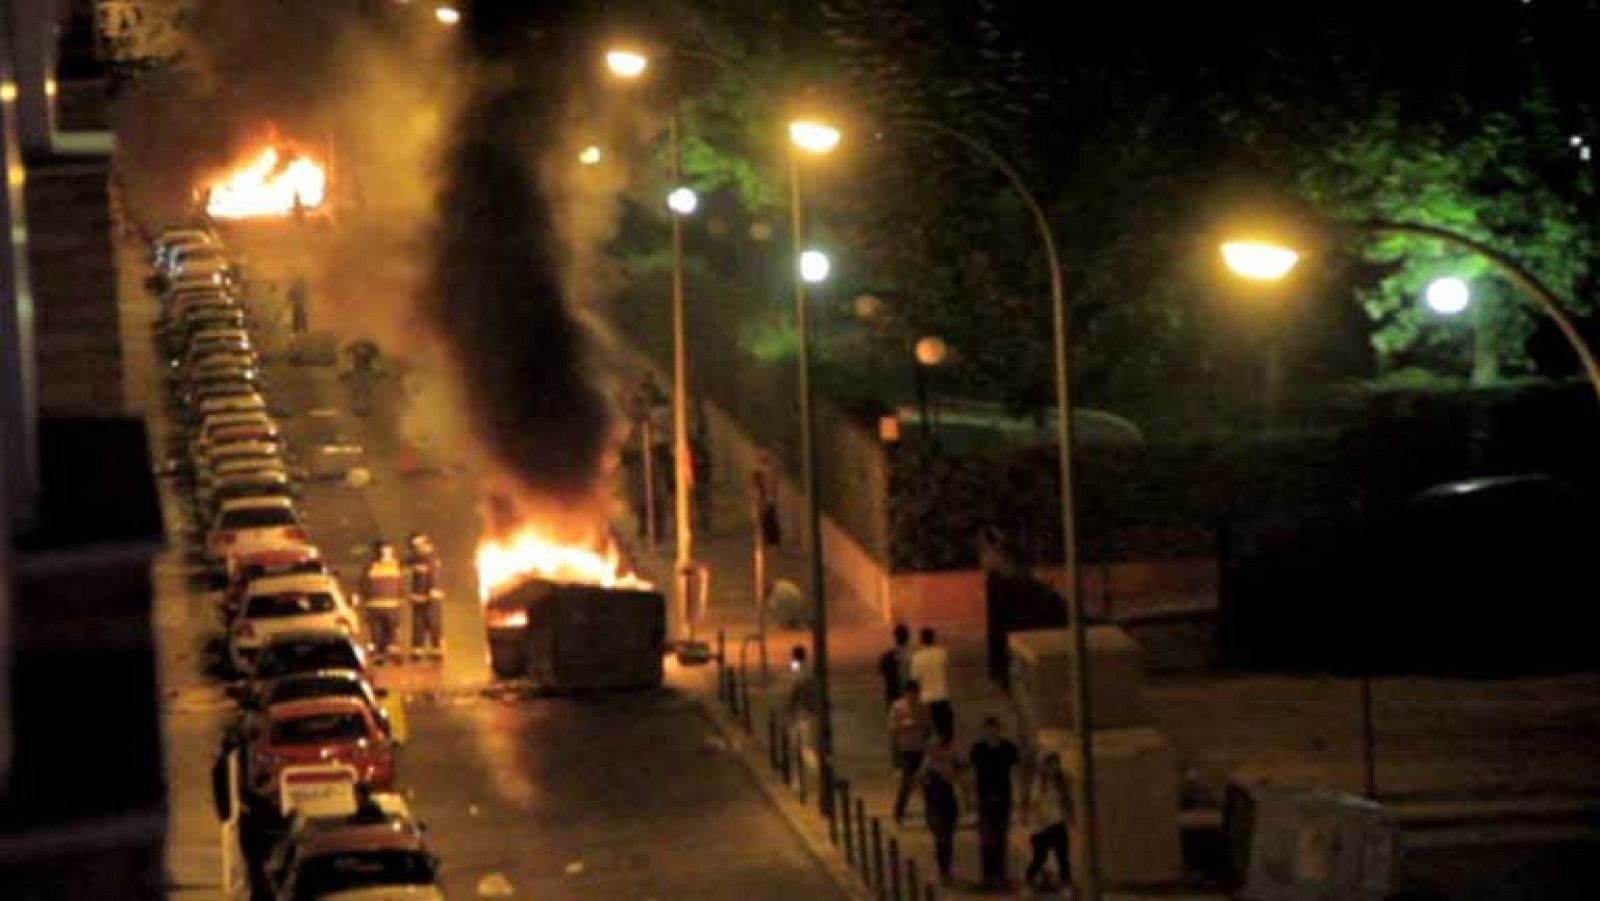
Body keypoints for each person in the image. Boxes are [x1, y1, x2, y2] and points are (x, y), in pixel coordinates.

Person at [970, 716, 1020, 890]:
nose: (991, 733)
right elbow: (973, 773)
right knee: (986, 839)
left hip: (1004, 796)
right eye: (988, 730)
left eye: (994, 729)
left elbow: (1015, 771)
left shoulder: (1008, 748)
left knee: (1001, 838)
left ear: (999, 730)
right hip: (984, 797)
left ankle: (1000, 875)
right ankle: (987, 877)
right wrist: (971, 797)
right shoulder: (978, 749)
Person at [918, 737, 963, 887]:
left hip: (949, 806)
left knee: (947, 839)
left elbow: (956, 781)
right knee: (941, 838)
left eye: (939, 748)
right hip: (934, 807)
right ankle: (943, 870)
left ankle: (946, 869)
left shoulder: (948, 765)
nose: (937, 751)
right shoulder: (927, 767)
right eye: (934, 748)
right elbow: (920, 783)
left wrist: (948, 767)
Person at [1025, 752, 1073, 892]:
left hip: (1058, 823)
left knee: (1062, 856)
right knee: (1040, 857)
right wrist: (1037, 821)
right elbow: (1034, 803)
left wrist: (1069, 817)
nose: (1053, 768)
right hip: (1042, 826)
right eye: (1051, 765)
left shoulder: (1061, 782)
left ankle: (1065, 882)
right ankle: (1029, 881)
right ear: (1045, 766)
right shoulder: (1039, 782)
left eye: (1056, 765)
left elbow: (1066, 800)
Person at [888, 680, 932, 823]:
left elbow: (928, 727)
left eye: (916, 693)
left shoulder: (923, 707)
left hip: (920, 748)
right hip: (906, 750)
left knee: (926, 782)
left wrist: (921, 729)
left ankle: (931, 813)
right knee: (907, 783)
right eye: (911, 693)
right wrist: (905, 726)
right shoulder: (898, 707)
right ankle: (899, 812)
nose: (913, 696)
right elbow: (893, 728)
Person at [358, 540, 404, 662]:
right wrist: (363, 597)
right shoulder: (370, 566)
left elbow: (400, 585)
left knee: (392, 632)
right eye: (383, 551)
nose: (385, 553)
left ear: (392, 551)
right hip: (375, 606)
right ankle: (380, 655)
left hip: (392, 606)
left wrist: (401, 598)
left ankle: (392, 655)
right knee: (377, 633)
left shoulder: (397, 565)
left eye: (388, 550)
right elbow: (363, 584)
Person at [910, 627, 954, 742]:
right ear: (933, 638)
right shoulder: (942, 653)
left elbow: (914, 678)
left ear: (921, 640)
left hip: (926, 698)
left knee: (927, 730)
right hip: (942, 694)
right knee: (945, 728)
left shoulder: (917, 657)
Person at [405, 532, 443, 660]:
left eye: (420, 544)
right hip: (417, 598)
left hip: (432, 599)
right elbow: (405, 573)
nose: (418, 547)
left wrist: (431, 594)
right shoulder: (414, 559)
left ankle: (437, 650)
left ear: (426, 543)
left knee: (434, 624)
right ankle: (417, 651)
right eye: (414, 545)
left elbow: (435, 577)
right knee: (418, 625)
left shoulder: (433, 558)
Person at [878, 623, 913, 707]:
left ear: (895, 638)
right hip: (909, 696)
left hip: (893, 696)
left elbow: (882, 672)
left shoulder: (887, 656)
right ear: (908, 637)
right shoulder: (914, 656)